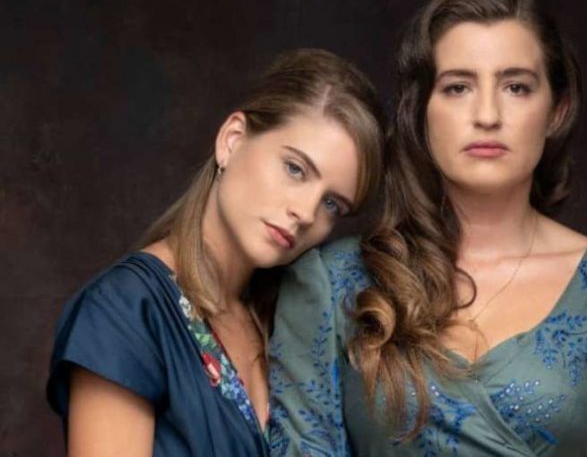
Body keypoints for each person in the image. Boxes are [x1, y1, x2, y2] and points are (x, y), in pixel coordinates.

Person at [268, 0, 587, 457]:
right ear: (421, 111)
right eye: (458, 87)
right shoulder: (334, 282)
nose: (487, 115)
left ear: (557, 111)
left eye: (516, 87)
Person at [46, 48, 384, 456]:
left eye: (332, 204)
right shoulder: (126, 310)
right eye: (295, 169)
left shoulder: (286, 321)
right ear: (232, 140)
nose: (306, 212)